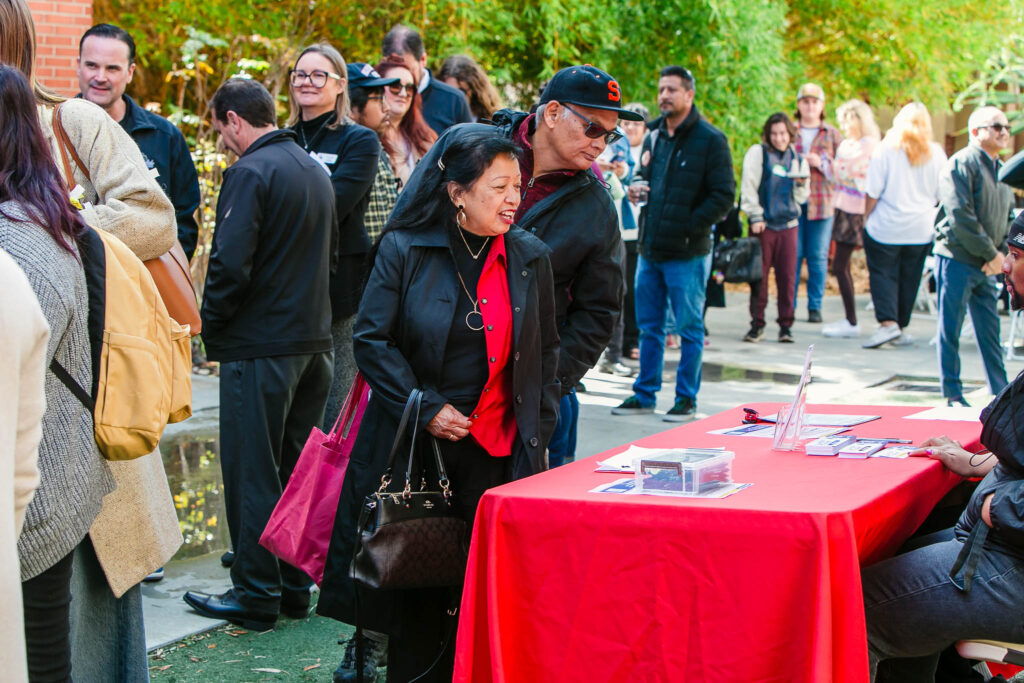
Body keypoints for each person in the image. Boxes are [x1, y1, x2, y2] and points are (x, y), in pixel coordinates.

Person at [318, 127, 558, 683]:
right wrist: (424, 405)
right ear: (456, 192)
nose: (512, 199)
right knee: (417, 586)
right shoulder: (405, 247)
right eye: (497, 187)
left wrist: (536, 441)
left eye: (517, 187)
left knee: (478, 588)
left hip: (493, 451)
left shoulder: (529, 256)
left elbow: (544, 359)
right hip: (415, 449)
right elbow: (372, 341)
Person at [2, 2, 181, 679]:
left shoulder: (68, 121)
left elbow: (153, 217)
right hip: (14, 402)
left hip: (79, 408)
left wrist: (54, 225)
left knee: (84, 633)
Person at [183, 78, 336, 631]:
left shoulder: (250, 172)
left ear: (232, 120)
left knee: (253, 470)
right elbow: (332, 258)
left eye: (221, 129)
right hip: (313, 344)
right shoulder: (315, 170)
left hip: (262, 346)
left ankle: (255, 594)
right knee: (297, 473)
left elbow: (228, 265)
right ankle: (295, 586)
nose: (223, 140)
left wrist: (211, 331)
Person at [861, 213, 1024, 682]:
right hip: (996, 547)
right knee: (898, 549)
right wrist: (975, 462)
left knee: (847, 608)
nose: (1006, 268)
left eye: (1015, 257)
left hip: (1010, 562)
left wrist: (1000, 505)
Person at [0, 62, 115, 682]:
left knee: (37, 660)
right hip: (56, 478)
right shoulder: (40, 216)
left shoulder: (14, 246)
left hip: (33, 497)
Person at [613, 65, 734, 421]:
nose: (664, 95)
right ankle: (644, 393)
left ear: (689, 95)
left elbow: (724, 196)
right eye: (661, 89)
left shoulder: (711, 140)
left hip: (687, 253)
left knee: (688, 328)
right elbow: (643, 175)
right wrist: (635, 186)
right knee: (649, 327)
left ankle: (686, 399)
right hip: (650, 249)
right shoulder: (651, 137)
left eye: (672, 90)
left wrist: (688, 226)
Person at [286, 43, 380, 428]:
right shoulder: (282, 138)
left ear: (340, 84)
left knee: (335, 402)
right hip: (289, 285)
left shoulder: (358, 141)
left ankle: (335, 489)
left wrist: (282, 213)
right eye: (301, 74)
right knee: (294, 405)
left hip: (340, 287)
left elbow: (336, 203)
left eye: (318, 74)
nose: (308, 82)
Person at [77, 23, 201, 260]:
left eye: (112, 68)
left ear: (130, 72)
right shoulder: (51, 131)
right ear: (78, 66)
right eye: (91, 65)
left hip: (147, 283)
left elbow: (183, 223)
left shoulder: (165, 138)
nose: (100, 77)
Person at [934, 105, 1014, 406]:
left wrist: (1000, 255)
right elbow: (959, 215)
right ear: (975, 131)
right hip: (956, 257)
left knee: (990, 331)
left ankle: (1002, 392)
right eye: (996, 126)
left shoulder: (1002, 168)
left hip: (988, 263)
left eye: (1005, 127)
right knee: (949, 329)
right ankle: (953, 393)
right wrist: (991, 253)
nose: (1003, 132)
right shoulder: (960, 164)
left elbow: (1008, 217)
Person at [860, 102, 947, 350]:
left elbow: (873, 191)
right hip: (920, 228)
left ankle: (888, 323)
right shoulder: (936, 153)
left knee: (883, 274)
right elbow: (942, 193)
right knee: (910, 277)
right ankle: (900, 324)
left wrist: (865, 218)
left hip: (886, 226)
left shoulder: (885, 150)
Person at [739, 112, 810, 343]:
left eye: (783, 134)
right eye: (775, 133)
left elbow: (801, 198)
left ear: (790, 134)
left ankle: (786, 326)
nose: (779, 138)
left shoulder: (798, 158)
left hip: (788, 225)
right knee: (759, 278)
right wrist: (755, 216)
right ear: (768, 134)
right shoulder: (758, 154)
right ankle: (757, 324)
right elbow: (748, 187)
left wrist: (800, 185)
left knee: (788, 278)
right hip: (764, 225)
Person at [823, 99, 880, 338]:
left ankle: (852, 321)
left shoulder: (869, 146)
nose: (844, 125)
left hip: (858, 211)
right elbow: (837, 176)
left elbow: (850, 173)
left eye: (848, 119)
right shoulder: (848, 145)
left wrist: (832, 166)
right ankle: (851, 319)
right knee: (841, 265)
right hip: (841, 207)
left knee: (840, 265)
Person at [791, 82, 842, 323]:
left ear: (821, 106)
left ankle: (815, 306)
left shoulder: (832, 134)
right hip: (792, 202)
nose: (810, 106)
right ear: (799, 105)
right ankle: (788, 306)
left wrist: (820, 163)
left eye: (814, 102)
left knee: (817, 256)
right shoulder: (789, 130)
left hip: (822, 204)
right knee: (793, 255)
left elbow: (843, 171)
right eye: (805, 102)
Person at [382, 23, 471, 134]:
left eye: (408, 70)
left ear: (423, 60)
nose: (402, 77)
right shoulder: (375, 97)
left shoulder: (454, 101)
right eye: (395, 70)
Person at [347, 62, 400, 243]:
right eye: (378, 99)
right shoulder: (349, 151)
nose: (387, 108)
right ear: (351, 107)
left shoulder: (377, 144)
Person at [619, 102, 650, 360]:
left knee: (634, 292)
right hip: (617, 228)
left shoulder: (651, 152)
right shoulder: (611, 148)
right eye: (626, 123)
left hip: (640, 230)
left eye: (636, 124)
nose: (630, 128)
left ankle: (632, 340)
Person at [375, 57, 437, 187]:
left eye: (409, 88)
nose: (403, 94)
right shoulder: (367, 137)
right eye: (395, 86)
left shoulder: (425, 138)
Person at [437, 54, 502, 122]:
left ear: (475, 90)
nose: (454, 97)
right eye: (448, 92)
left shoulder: (491, 118)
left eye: (461, 91)